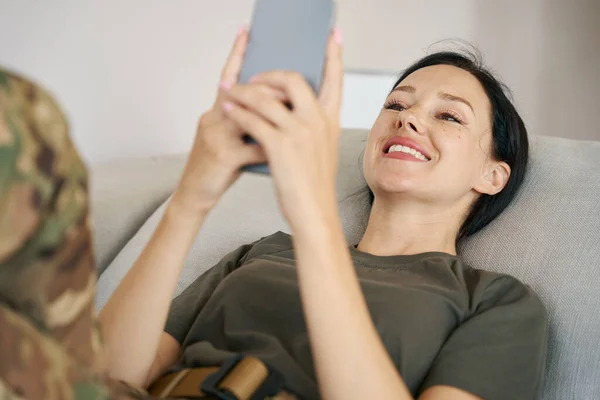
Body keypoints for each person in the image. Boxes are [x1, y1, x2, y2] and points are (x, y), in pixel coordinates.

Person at [0, 26, 547, 400]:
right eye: (396, 105)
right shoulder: (264, 253)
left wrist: (310, 212)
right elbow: (108, 374)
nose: (407, 120)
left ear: (492, 175)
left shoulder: (496, 302)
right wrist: (192, 194)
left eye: (449, 116)